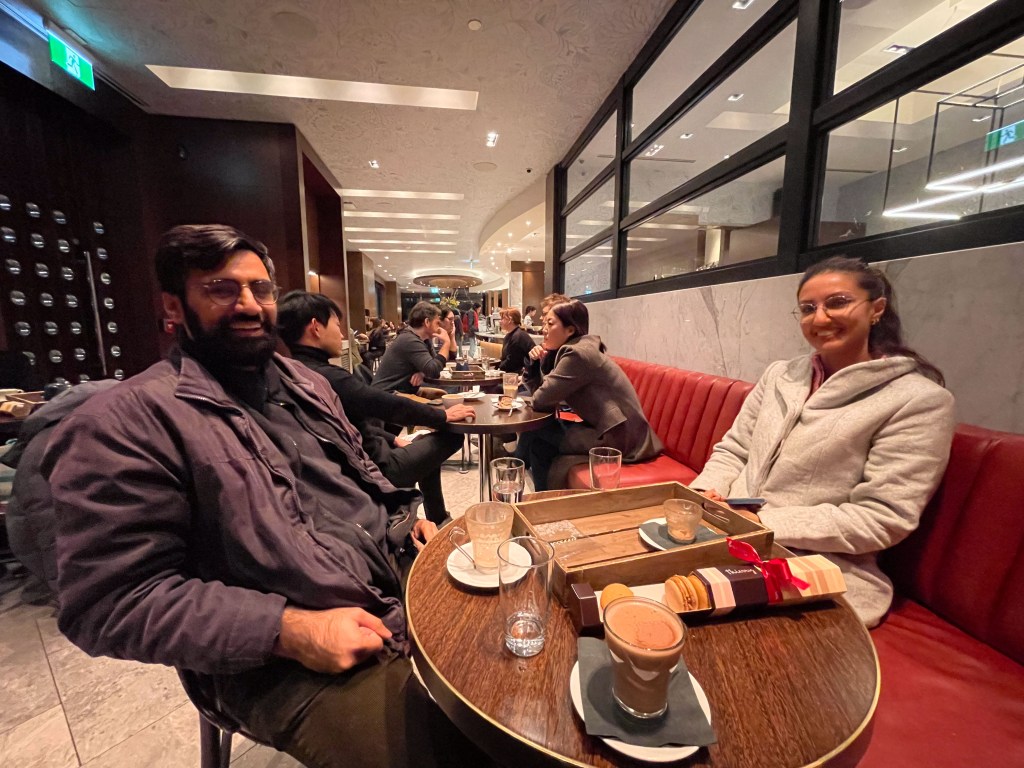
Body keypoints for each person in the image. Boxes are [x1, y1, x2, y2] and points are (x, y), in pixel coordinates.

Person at [42, 224, 490, 768]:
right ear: (173, 306)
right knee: (454, 750)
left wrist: (402, 513)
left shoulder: (307, 383)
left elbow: (360, 473)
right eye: (221, 289)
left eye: (260, 289)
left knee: (512, 658)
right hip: (282, 657)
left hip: (393, 573)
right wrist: (288, 630)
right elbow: (108, 602)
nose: (250, 305)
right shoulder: (124, 422)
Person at [690, 256, 956, 628]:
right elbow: (735, 448)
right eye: (808, 308)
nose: (820, 318)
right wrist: (702, 496)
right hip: (725, 536)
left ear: (876, 309)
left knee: (693, 619)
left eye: (838, 302)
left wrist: (760, 522)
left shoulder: (917, 400)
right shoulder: (780, 375)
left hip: (813, 566)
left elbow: (881, 518)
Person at [278, 291, 473, 524]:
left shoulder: (294, 372)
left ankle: (436, 519)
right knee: (451, 436)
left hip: (357, 461)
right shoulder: (328, 377)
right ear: (316, 327)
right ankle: (433, 517)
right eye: (337, 325)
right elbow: (387, 405)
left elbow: (348, 424)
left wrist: (393, 439)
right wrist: (442, 416)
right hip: (374, 469)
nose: (342, 334)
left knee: (425, 451)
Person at [518, 299, 661, 490]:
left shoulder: (577, 355)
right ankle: (541, 497)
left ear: (570, 330)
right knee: (539, 443)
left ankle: (514, 465)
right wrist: (534, 363)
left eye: (550, 324)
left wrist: (539, 369)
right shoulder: (576, 349)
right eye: (544, 323)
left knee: (535, 429)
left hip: (619, 439)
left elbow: (540, 399)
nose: (544, 329)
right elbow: (543, 395)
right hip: (604, 429)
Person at [372, 301, 453, 395]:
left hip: (405, 391)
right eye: (437, 323)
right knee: (444, 400)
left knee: (443, 394)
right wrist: (446, 343)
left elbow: (435, 366)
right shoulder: (410, 340)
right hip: (389, 395)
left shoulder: (424, 340)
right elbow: (433, 371)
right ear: (427, 322)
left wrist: (422, 373)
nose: (439, 327)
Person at [497, 307, 536, 374]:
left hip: (523, 376)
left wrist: (498, 369)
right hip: (513, 373)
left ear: (510, 320)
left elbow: (512, 363)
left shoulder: (518, 337)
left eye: (502, 318)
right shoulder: (510, 335)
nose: (500, 321)